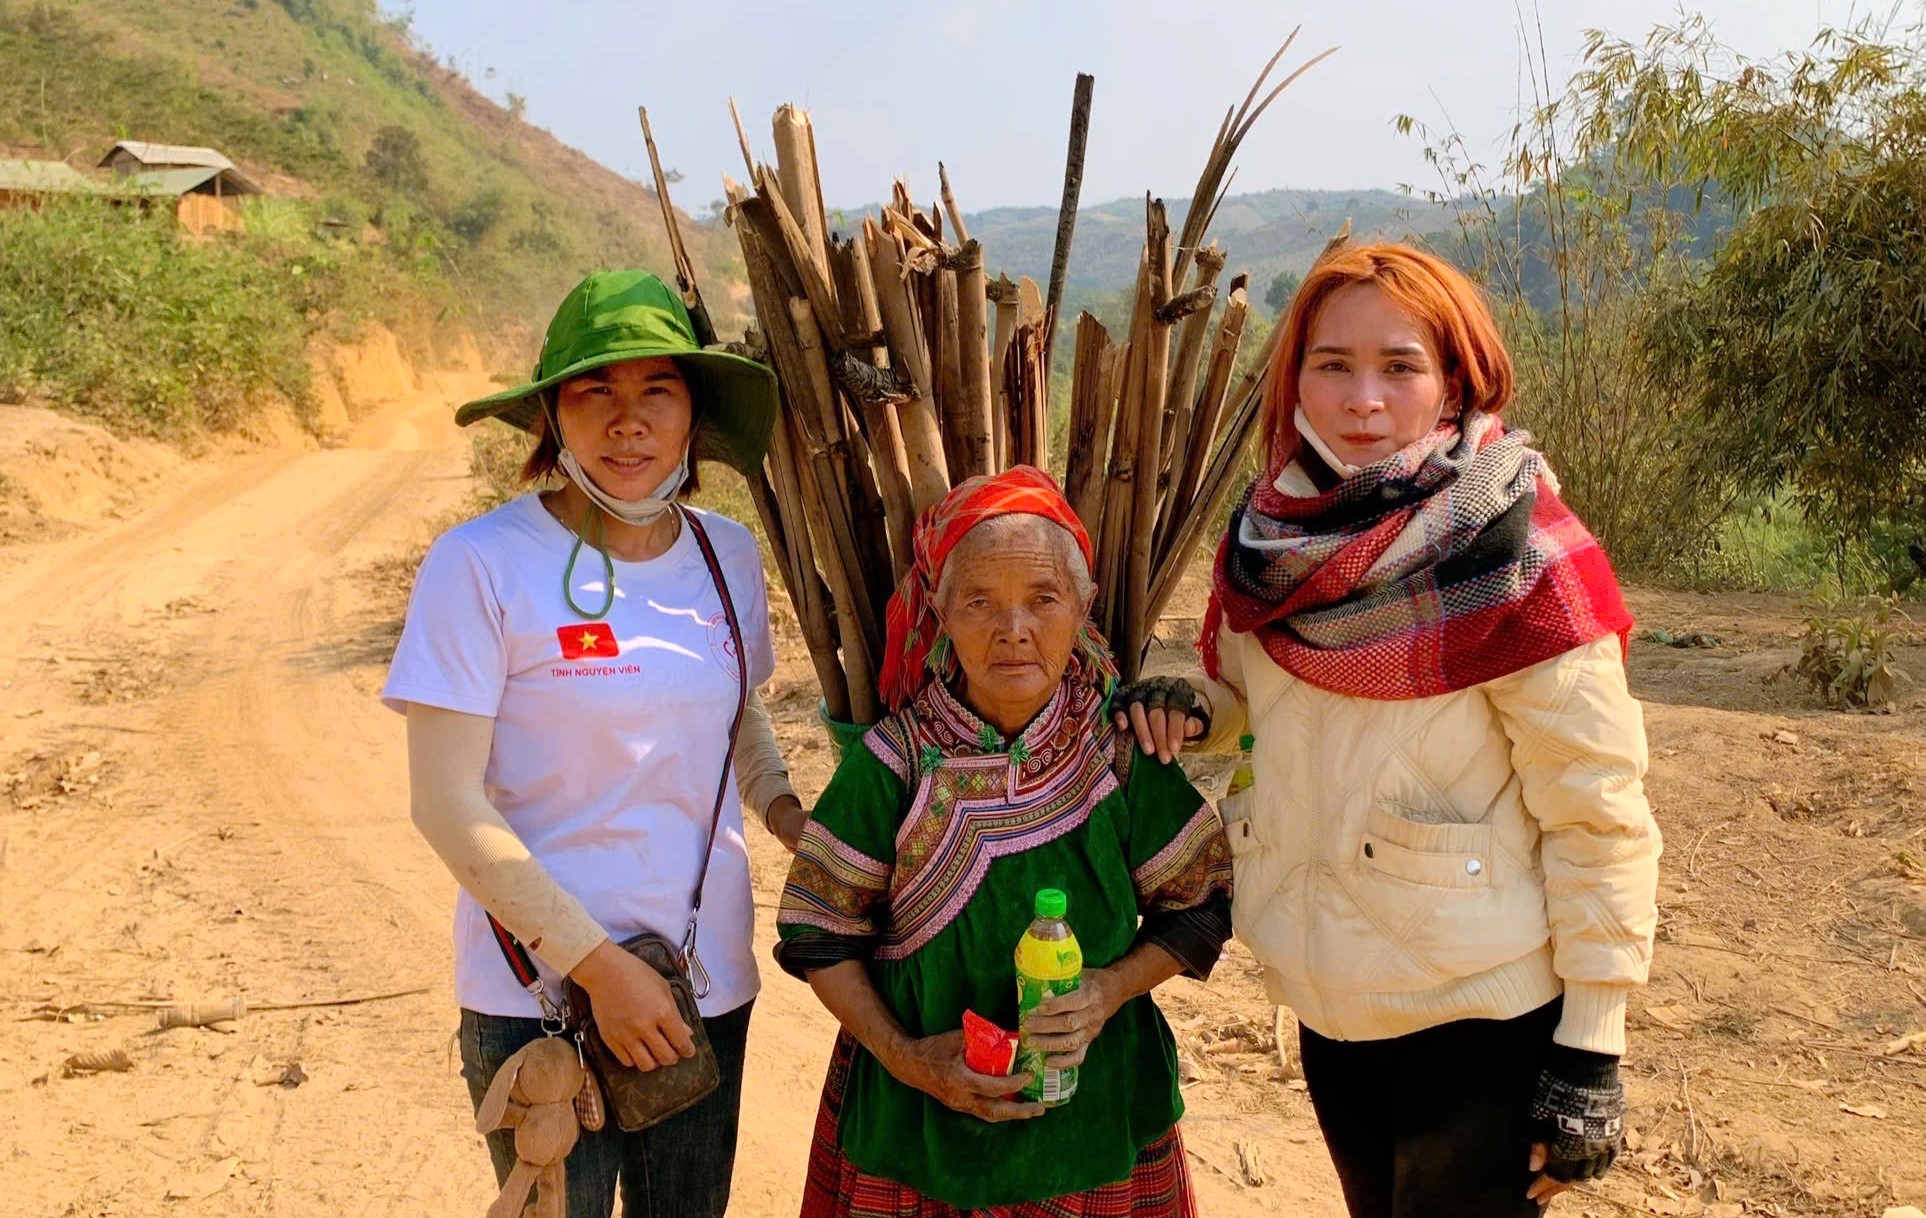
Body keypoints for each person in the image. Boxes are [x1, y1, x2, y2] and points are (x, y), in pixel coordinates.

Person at [1112, 242, 1661, 1217]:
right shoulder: (1270, 539)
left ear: (1456, 378)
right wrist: (1191, 709)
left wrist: (1592, 1047)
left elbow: (1598, 812)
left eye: (1400, 366)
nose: (1363, 399)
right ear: (1296, 382)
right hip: (1332, 1003)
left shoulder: (1518, 552)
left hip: (1483, 1015)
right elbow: (1245, 699)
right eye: (1333, 365)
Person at [382, 269, 806, 1217]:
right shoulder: (481, 564)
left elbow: (738, 711)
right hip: (537, 993)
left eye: (656, 389)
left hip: (703, 987)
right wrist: (597, 969)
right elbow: (445, 803)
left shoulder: (725, 554)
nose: (628, 422)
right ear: (551, 417)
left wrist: (786, 814)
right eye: (593, 392)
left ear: (692, 413)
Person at [775, 467, 1235, 1218]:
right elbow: (820, 935)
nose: (1013, 628)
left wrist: (1107, 991)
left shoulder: (1118, 753)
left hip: (1096, 1119)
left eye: (1043, 600)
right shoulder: (893, 763)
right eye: (980, 601)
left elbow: (1201, 905)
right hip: (921, 1124)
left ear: (1083, 608)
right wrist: (912, 1061)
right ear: (942, 612)